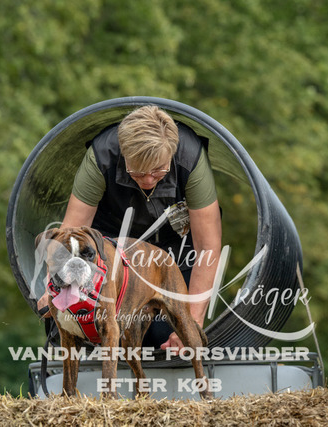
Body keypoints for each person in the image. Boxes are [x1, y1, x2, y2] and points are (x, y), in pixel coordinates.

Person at [38, 105, 222, 350]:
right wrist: (51, 288)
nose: (148, 180)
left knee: (162, 332)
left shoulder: (190, 158)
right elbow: (67, 235)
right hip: (112, 241)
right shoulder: (101, 156)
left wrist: (192, 324)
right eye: (138, 172)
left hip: (174, 248)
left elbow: (208, 246)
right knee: (84, 318)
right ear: (124, 154)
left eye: (158, 171)